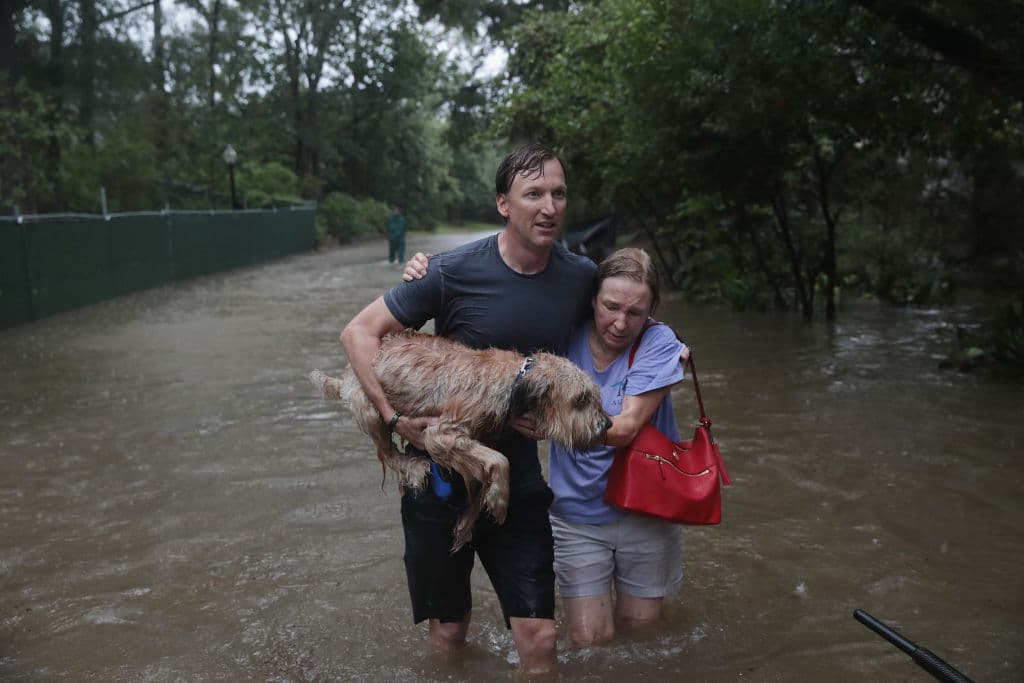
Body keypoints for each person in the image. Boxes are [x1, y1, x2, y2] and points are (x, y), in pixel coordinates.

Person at [339, 143, 597, 674]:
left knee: (541, 639)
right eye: (533, 194)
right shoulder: (449, 272)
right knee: (449, 631)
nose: (549, 206)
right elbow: (359, 333)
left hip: (518, 477)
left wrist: (669, 347)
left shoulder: (578, 278)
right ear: (504, 203)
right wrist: (393, 419)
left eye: (558, 193)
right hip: (441, 473)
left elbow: (625, 313)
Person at [402, 247, 688, 648]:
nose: (621, 323)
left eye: (635, 312)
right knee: (590, 641)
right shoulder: (561, 333)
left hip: (646, 510)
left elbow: (623, 428)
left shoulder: (658, 343)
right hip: (578, 513)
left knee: (642, 636)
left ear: (652, 311)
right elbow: (497, 327)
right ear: (591, 299)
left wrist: (548, 425)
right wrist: (430, 268)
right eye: (610, 307)